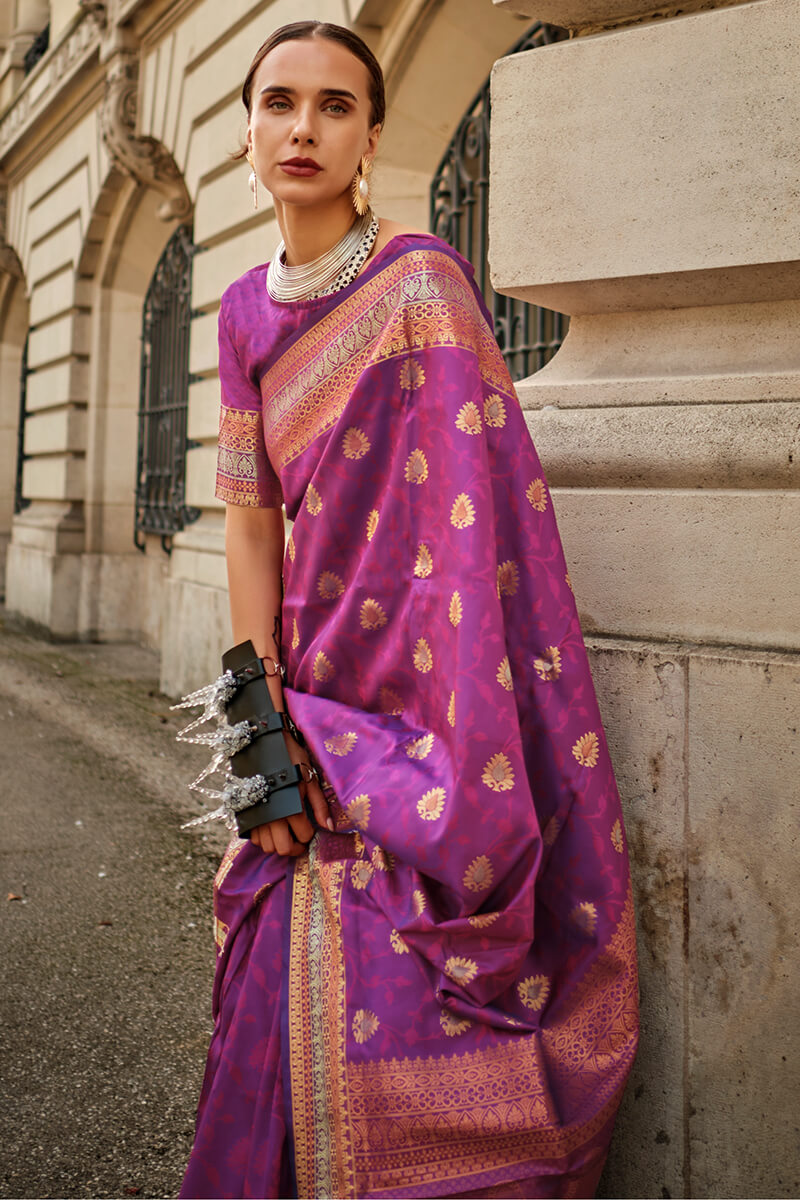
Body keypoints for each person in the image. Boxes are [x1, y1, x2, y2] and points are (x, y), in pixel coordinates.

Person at [179, 19, 638, 1200]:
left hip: (429, 713)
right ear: (246, 126)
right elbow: (248, 520)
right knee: (274, 998)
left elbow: (472, 530)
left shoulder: (420, 283)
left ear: (372, 136)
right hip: (308, 698)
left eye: (335, 106)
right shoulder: (238, 313)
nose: (303, 127)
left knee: (425, 984)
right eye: (279, 101)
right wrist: (259, 731)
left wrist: (426, 735)